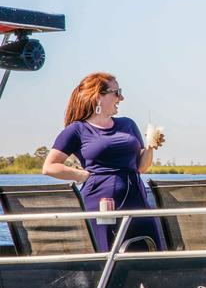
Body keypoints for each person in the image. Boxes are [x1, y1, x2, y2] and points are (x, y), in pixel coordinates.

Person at [42, 72, 167, 252]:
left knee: (149, 254)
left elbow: (141, 167)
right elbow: (50, 166)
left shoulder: (128, 124)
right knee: (107, 257)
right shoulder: (77, 129)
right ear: (98, 96)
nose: (121, 97)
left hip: (137, 201)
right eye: (117, 92)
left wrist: (151, 146)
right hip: (100, 204)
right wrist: (83, 175)